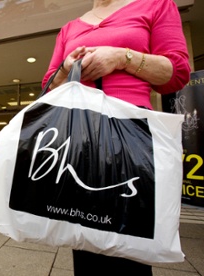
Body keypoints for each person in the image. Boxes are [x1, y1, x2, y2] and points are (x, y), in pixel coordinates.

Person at [42, 0, 191, 274]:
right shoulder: (69, 28)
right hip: (79, 139)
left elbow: (177, 72)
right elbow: (48, 87)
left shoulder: (155, 5)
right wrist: (66, 68)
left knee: (129, 241)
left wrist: (123, 57)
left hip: (130, 138)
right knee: (84, 235)